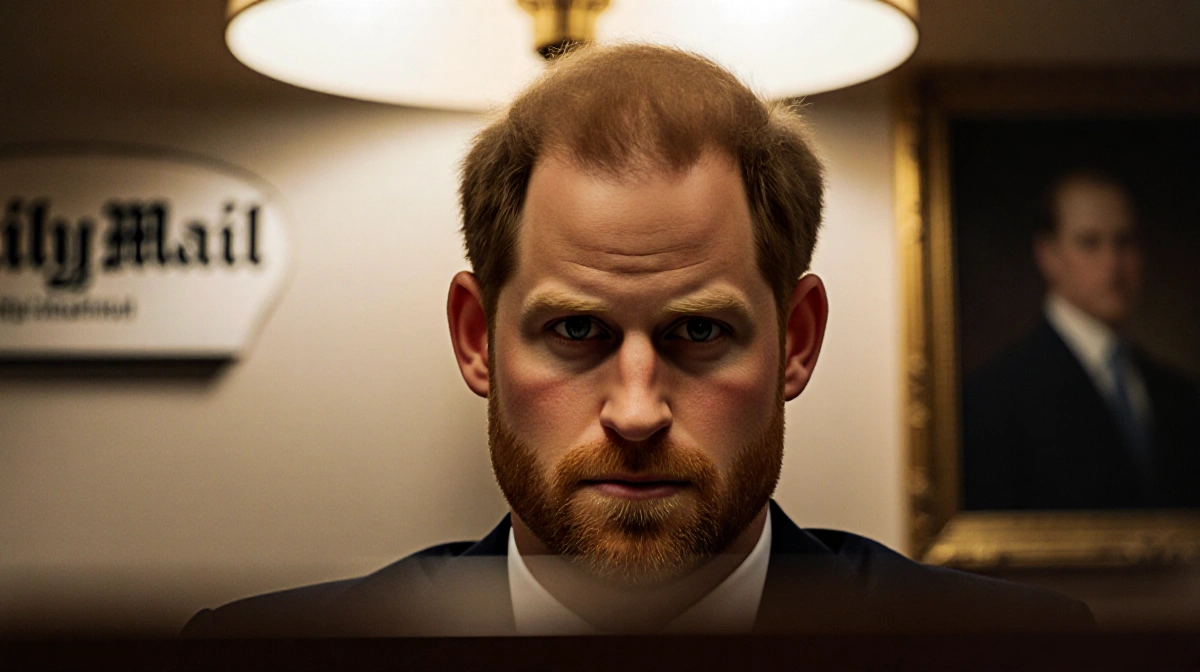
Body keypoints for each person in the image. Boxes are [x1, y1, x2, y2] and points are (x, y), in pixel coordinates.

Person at [183, 44, 1094, 637]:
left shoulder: (1023, 656)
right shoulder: (258, 657)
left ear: (798, 341)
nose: (635, 410)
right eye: (574, 330)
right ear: (476, 340)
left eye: (700, 331)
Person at [963, 172, 1200, 511]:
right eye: (1090, 242)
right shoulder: (994, 397)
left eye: (1125, 242)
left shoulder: (1179, 396)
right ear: (1048, 255)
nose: (1113, 264)